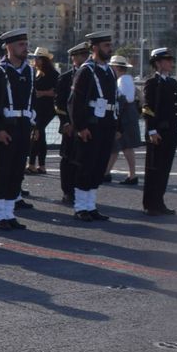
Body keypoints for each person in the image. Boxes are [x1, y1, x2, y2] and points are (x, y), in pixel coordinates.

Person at [0, 28, 35, 229]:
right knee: (3, 171)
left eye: (26, 44)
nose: (25, 48)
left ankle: (10, 213)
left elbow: (33, 100)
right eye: (21, 45)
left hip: (23, 126)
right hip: (6, 128)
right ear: (9, 47)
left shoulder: (29, 71)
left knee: (17, 171)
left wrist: (34, 124)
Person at [68, 31, 118, 221]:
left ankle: (91, 205)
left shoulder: (109, 71)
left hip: (106, 124)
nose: (110, 49)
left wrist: (117, 126)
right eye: (106, 45)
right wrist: (80, 126)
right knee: (86, 166)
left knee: (98, 167)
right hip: (91, 125)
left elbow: (115, 101)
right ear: (95, 47)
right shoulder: (86, 70)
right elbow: (76, 102)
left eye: (110, 45)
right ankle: (81, 207)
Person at [141, 48, 177, 215]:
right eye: (167, 60)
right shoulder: (152, 83)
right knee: (154, 168)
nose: (171, 63)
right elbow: (147, 108)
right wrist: (151, 130)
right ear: (158, 63)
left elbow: (175, 109)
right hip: (157, 131)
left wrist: (176, 131)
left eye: (171, 60)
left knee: (165, 168)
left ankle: (159, 201)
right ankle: (150, 204)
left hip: (170, 131)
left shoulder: (172, 83)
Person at [55, 43, 87, 204]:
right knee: (68, 159)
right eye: (82, 56)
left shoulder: (91, 76)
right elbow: (59, 104)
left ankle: (81, 190)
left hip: (85, 125)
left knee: (84, 159)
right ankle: (68, 191)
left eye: (86, 55)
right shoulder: (66, 78)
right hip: (70, 126)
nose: (86, 59)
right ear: (74, 58)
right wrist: (66, 122)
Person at [108, 54, 140, 184]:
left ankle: (132, 175)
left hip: (124, 115)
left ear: (116, 68)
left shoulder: (121, 81)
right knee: (120, 146)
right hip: (129, 113)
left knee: (124, 146)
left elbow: (120, 101)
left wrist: (115, 119)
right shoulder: (128, 79)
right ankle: (107, 172)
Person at [28, 47, 58, 175]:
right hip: (37, 108)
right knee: (39, 135)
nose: (35, 60)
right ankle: (41, 165)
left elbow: (56, 92)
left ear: (44, 60)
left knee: (37, 133)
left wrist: (41, 93)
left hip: (47, 108)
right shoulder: (36, 72)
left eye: (37, 58)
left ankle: (32, 164)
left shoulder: (53, 74)